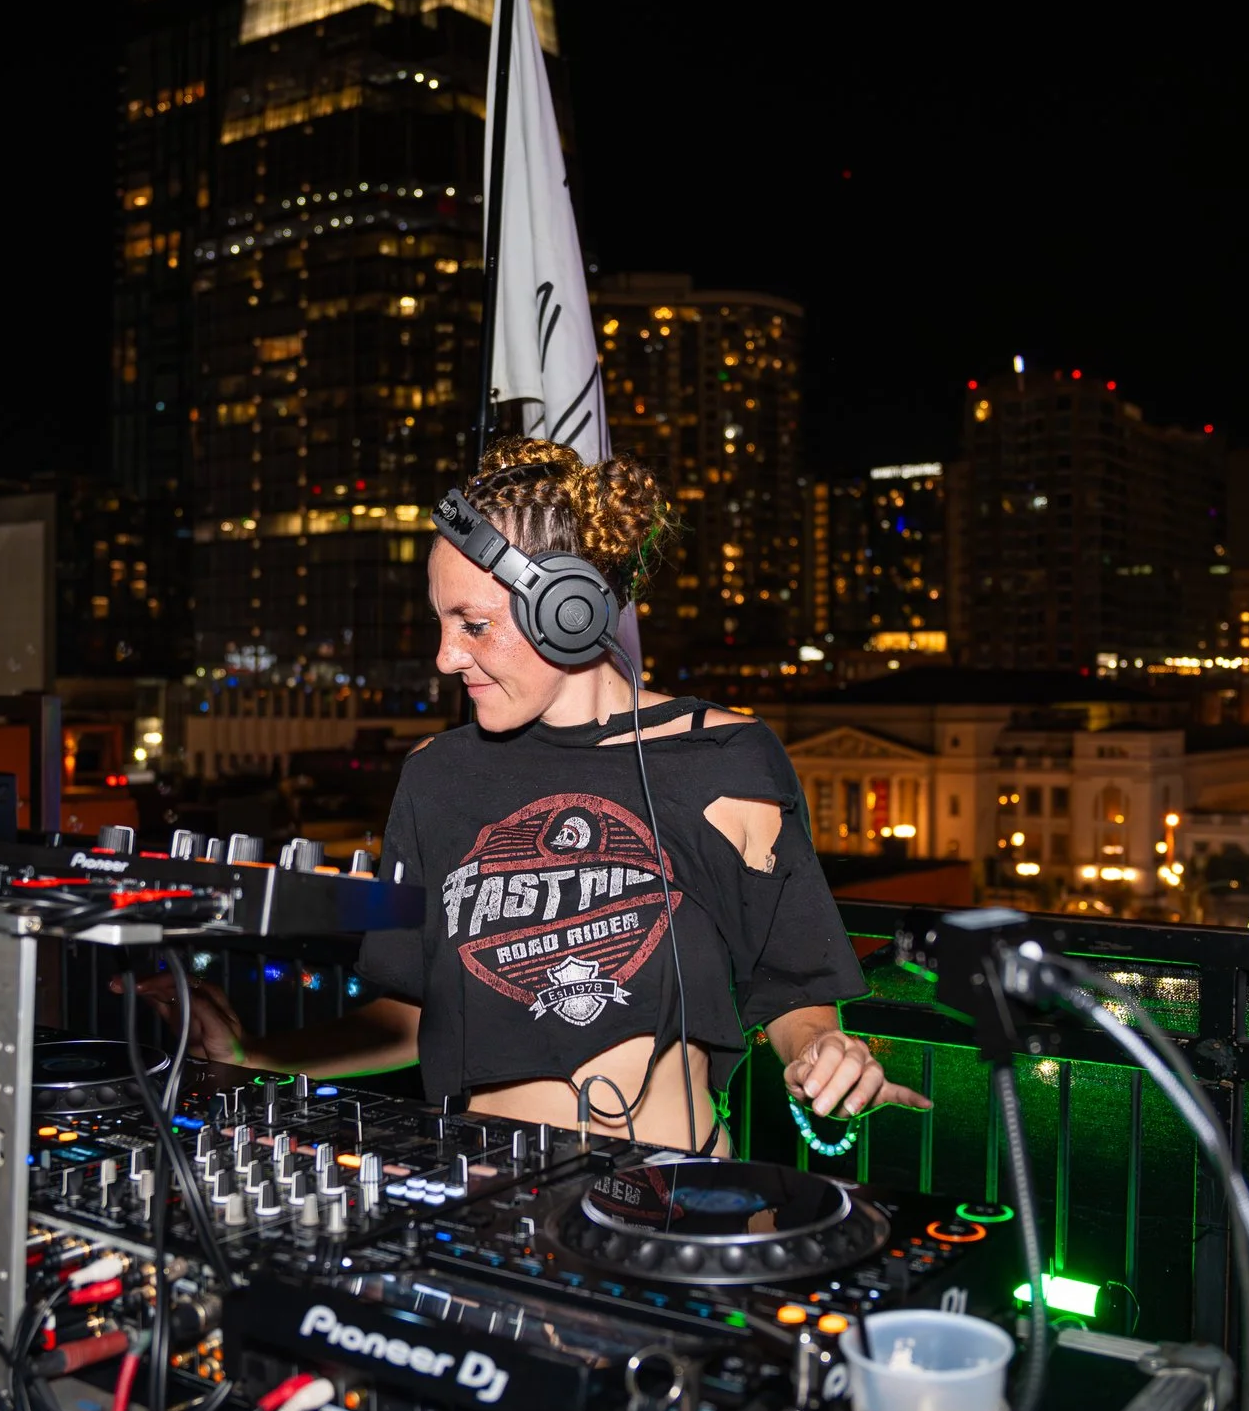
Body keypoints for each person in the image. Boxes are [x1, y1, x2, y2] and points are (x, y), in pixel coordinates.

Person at [154, 437, 927, 1152]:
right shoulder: (436, 776)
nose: (445, 655)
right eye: (439, 622)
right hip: (490, 1197)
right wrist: (255, 1053)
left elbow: (793, 988)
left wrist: (822, 1050)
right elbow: (412, 1015)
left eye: (473, 624)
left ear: (569, 610)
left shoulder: (727, 758)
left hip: (677, 1196)